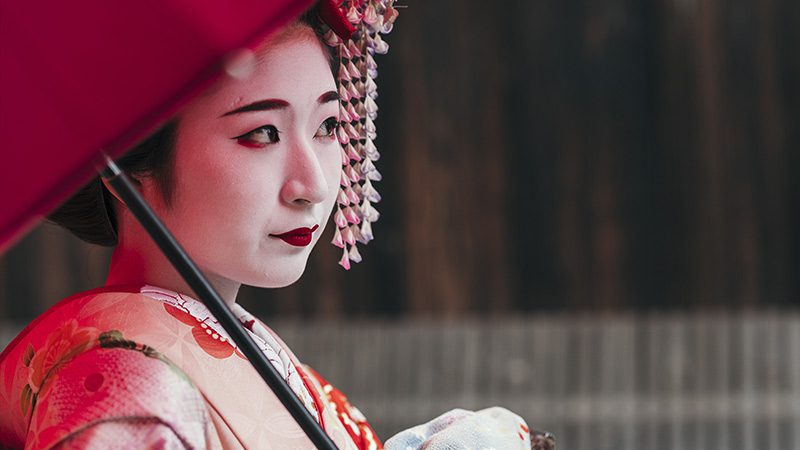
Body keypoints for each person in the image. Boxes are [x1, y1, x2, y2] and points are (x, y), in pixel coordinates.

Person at [0, 2, 541, 449]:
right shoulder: (125, 384)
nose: (312, 184)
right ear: (125, 169)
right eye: (261, 135)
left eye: (328, 126)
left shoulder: (277, 371)